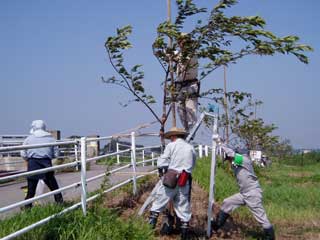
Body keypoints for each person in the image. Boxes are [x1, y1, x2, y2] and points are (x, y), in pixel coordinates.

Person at [211, 145, 275, 240]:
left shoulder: (244, 160)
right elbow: (231, 158)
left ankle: (270, 237)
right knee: (228, 202)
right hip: (244, 193)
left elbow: (231, 154)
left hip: (252, 193)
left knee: (261, 217)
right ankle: (217, 225)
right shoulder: (238, 164)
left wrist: (220, 143)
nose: (229, 160)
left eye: (230, 159)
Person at [149, 127, 196, 240]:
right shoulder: (191, 148)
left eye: (170, 137)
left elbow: (162, 161)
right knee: (183, 209)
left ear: (173, 136)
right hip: (184, 180)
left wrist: (161, 173)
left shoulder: (171, 146)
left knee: (157, 205)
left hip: (171, 179)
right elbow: (192, 165)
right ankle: (184, 236)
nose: (170, 139)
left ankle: (148, 233)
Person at [21, 120, 63, 208]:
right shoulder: (51, 139)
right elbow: (56, 154)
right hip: (46, 163)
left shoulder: (28, 139)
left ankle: (27, 209)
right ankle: (60, 206)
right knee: (54, 188)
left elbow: (23, 154)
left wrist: (29, 157)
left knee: (31, 190)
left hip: (32, 164)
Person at [175, 33, 199, 132]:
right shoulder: (180, 54)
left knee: (190, 110)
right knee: (180, 109)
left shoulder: (191, 54)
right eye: (181, 41)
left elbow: (183, 59)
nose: (182, 44)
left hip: (190, 85)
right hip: (180, 85)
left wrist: (172, 55)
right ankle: (186, 131)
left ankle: (190, 133)